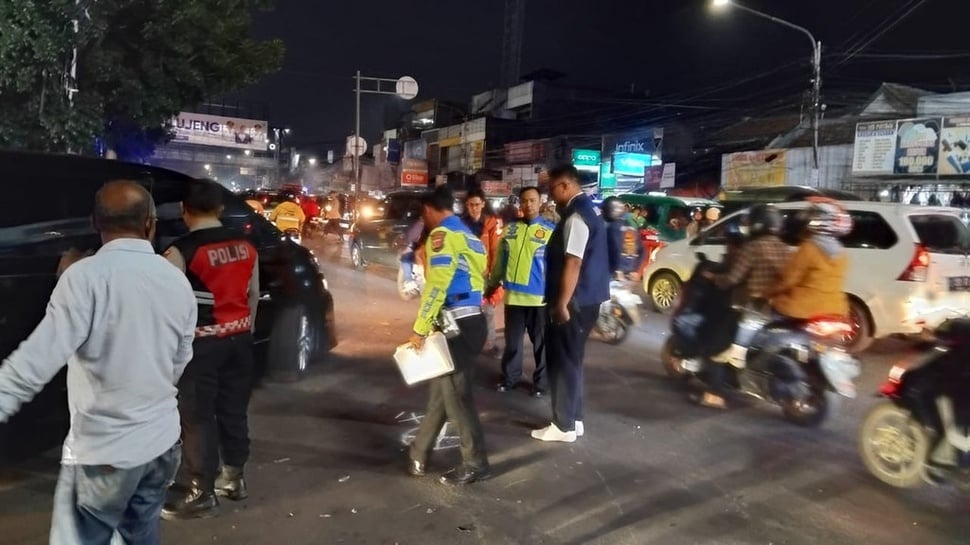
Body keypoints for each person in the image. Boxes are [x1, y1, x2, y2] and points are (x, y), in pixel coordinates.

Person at [0, 180, 196, 545]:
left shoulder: (83, 278)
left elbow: (34, 364)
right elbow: (180, 357)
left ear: (95, 223)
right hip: (161, 445)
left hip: (105, 453)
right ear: (150, 224)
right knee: (140, 535)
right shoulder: (175, 280)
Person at [161, 180, 260, 520]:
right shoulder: (246, 245)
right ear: (220, 209)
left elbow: (167, 307)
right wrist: (244, 331)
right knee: (233, 409)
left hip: (201, 346)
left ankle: (198, 490)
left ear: (183, 210)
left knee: (197, 416)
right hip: (241, 340)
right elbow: (253, 294)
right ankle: (233, 479)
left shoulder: (180, 251)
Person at [405, 186, 491, 486]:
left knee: (457, 397)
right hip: (472, 320)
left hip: (458, 325)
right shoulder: (468, 234)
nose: (422, 219)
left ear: (429, 209)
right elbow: (481, 274)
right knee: (442, 394)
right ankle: (418, 453)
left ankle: (476, 462)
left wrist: (420, 328)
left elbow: (437, 286)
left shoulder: (442, 236)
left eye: (422, 213)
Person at [532, 165, 609, 443]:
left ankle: (562, 425)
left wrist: (562, 303)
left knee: (562, 362)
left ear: (565, 185)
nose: (551, 197)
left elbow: (573, 261)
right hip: (589, 299)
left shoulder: (576, 217)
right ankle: (574, 420)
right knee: (573, 359)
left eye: (552, 189)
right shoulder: (591, 212)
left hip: (573, 303)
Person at [698, 204, 790, 409]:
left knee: (718, 347)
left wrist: (713, 277)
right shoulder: (785, 249)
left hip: (751, 310)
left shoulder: (753, 247)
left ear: (757, 224)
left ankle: (714, 393)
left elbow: (732, 278)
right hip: (778, 311)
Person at [487, 187, 556, 397]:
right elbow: (500, 262)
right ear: (520, 204)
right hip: (513, 298)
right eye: (525, 201)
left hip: (539, 299)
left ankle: (541, 385)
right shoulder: (510, 231)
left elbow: (556, 267)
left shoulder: (550, 232)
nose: (528, 205)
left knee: (541, 346)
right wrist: (492, 284)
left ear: (539, 202)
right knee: (513, 344)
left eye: (533, 200)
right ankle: (510, 379)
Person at [769, 199, 852, 321]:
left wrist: (768, 292)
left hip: (802, 309)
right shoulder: (842, 253)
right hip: (836, 309)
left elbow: (787, 280)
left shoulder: (809, 248)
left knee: (768, 322)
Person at [460, 189, 503, 358]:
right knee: (466, 311)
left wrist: (493, 276)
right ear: (466, 205)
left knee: (488, 311)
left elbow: (495, 250)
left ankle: (489, 344)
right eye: (471, 205)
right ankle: (467, 344)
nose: (474, 208)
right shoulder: (460, 224)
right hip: (466, 276)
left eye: (477, 204)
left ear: (483, 204)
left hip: (484, 276)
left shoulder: (491, 224)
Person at [602, 196, 644, 280]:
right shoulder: (630, 227)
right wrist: (635, 269)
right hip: (630, 272)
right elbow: (641, 250)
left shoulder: (612, 227)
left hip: (614, 273)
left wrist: (618, 268)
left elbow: (615, 248)